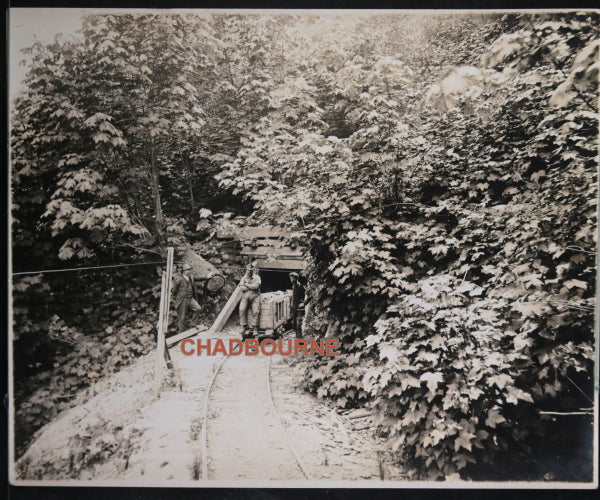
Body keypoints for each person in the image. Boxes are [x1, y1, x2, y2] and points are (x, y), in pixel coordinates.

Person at [172, 263, 202, 332]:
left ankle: (193, 325)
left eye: (189, 269)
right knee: (182, 317)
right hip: (183, 299)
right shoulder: (179, 279)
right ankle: (181, 332)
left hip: (190, 298)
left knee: (198, 308)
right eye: (187, 270)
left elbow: (198, 278)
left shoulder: (190, 277)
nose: (189, 271)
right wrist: (178, 297)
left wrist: (207, 277)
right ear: (183, 271)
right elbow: (174, 291)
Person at [239, 262, 261, 338]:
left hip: (255, 297)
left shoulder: (257, 277)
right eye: (248, 270)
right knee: (241, 309)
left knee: (256, 311)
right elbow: (241, 288)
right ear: (246, 270)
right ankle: (244, 325)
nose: (249, 272)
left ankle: (255, 328)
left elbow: (256, 286)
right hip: (245, 297)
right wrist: (250, 286)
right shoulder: (243, 278)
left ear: (253, 271)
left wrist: (247, 285)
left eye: (251, 270)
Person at [289, 272, 306, 337]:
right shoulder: (293, 286)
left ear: (296, 279)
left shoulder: (301, 287)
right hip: (294, 309)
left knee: (299, 326)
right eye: (290, 279)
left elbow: (310, 296)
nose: (291, 280)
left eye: (292, 279)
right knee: (294, 326)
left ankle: (300, 343)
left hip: (300, 310)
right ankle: (298, 339)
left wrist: (304, 303)